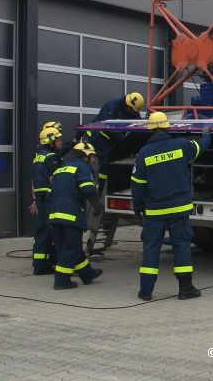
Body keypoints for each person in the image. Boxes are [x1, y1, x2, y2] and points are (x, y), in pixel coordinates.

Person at [130, 112, 211, 301]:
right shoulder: (180, 145)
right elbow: (199, 147)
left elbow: (138, 184)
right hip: (179, 208)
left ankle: (145, 291)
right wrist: (207, 135)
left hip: (155, 210)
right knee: (181, 245)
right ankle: (185, 288)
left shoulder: (144, 153)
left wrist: (137, 207)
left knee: (151, 247)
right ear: (167, 127)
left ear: (150, 129)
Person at [48, 141, 104, 290]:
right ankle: (61, 280)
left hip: (54, 215)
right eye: (92, 156)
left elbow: (51, 192)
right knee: (71, 247)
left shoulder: (61, 168)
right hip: (70, 215)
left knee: (72, 246)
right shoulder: (82, 167)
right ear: (84, 154)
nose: (93, 160)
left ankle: (87, 274)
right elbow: (88, 189)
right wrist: (97, 206)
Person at [82, 92, 145, 185]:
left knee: (109, 163)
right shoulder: (111, 106)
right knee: (102, 164)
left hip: (109, 141)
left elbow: (138, 122)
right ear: (128, 105)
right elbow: (107, 126)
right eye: (133, 111)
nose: (134, 113)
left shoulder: (131, 110)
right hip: (96, 138)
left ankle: (103, 184)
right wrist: (123, 137)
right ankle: (99, 188)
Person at [29, 126, 62, 275]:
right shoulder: (51, 157)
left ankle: (41, 261)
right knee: (49, 230)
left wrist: (35, 199)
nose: (60, 142)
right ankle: (42, 265)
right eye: (58, 139)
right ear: (50, 141)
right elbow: (54, 179)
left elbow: (34, 180)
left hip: (41, 196)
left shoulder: (38, 156)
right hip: (49, 197)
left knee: (43, 229)